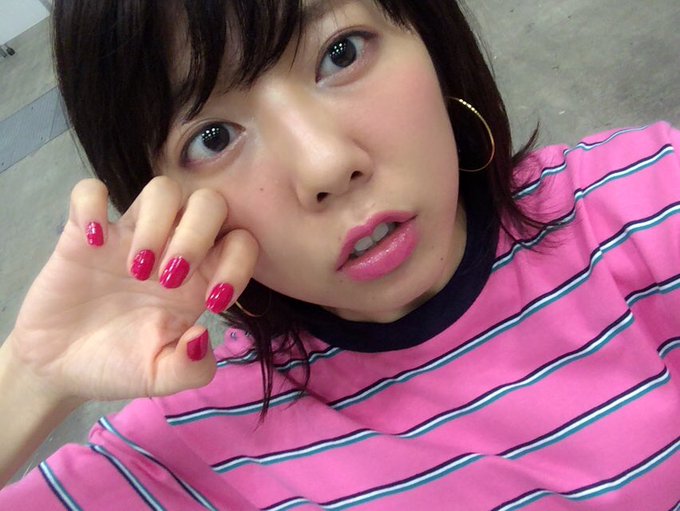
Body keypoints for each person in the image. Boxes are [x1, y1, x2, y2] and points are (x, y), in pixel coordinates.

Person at [1, 0, 678, 509]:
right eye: (213, 137)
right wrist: (30, 376)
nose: (325, 165)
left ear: (427, 33)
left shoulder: (639, 204)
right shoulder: (194, 447)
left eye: (341, 52)